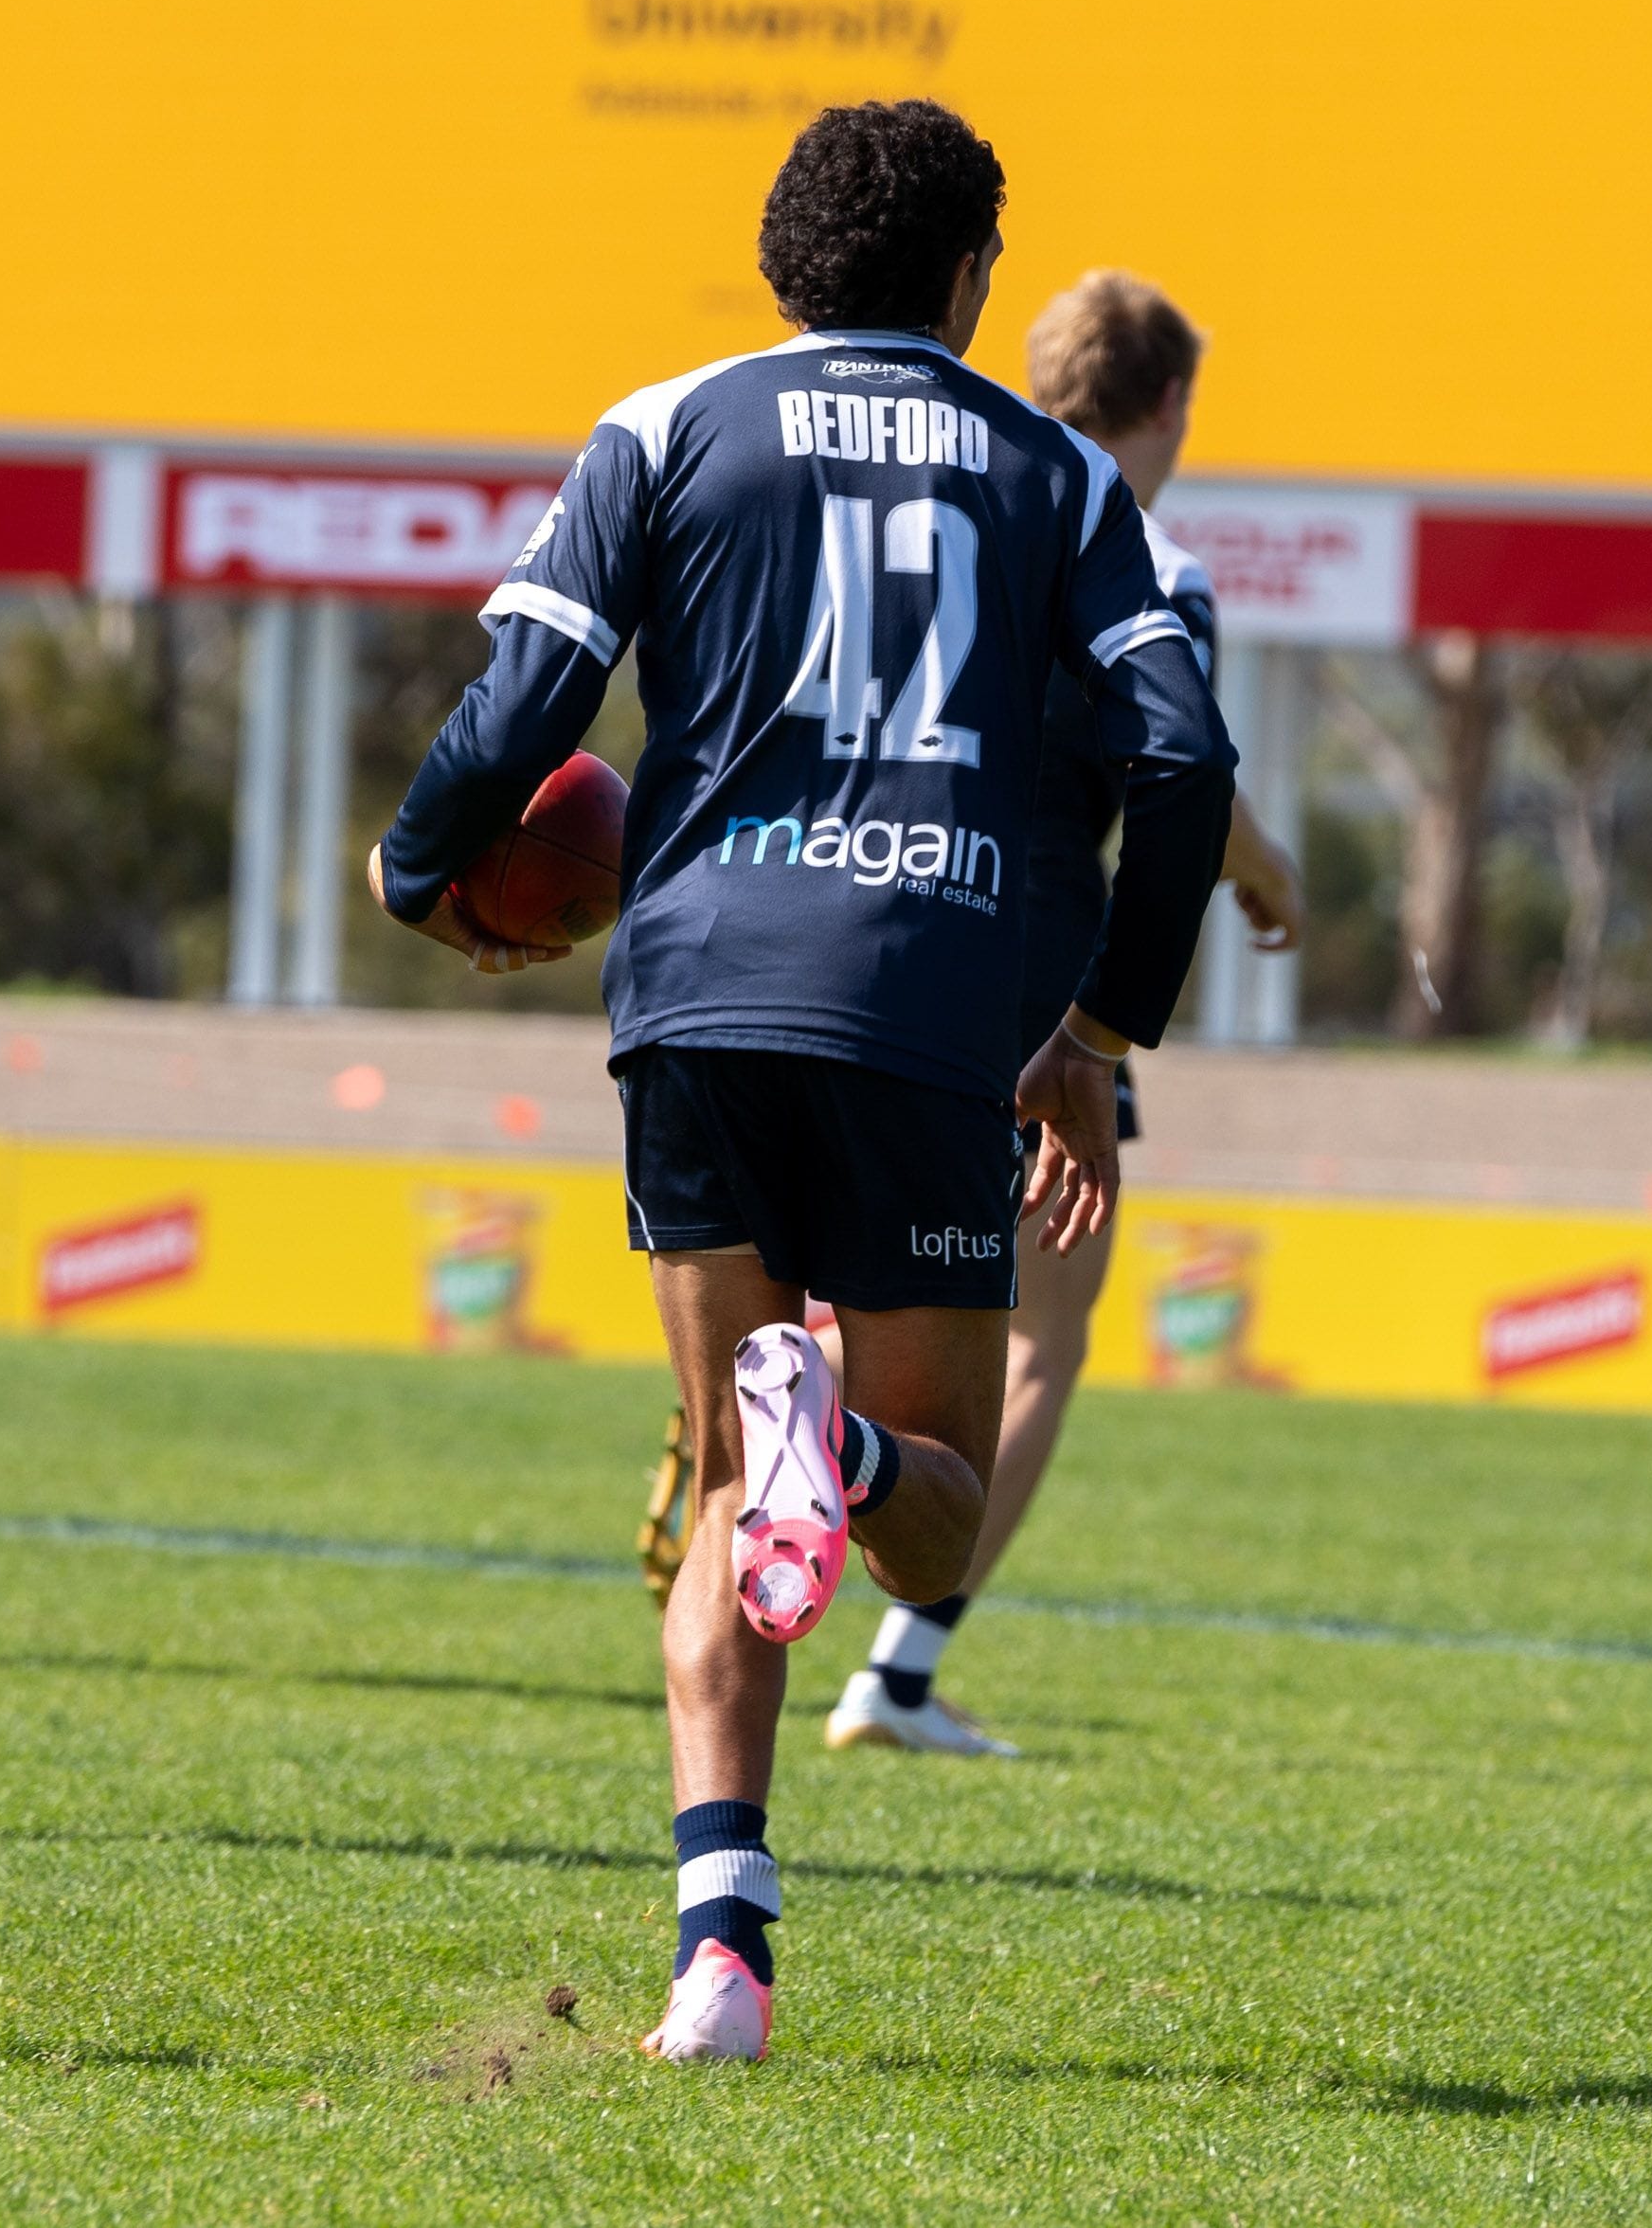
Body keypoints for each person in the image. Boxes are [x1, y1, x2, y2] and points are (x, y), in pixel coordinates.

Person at [369, 100, 1233, 2058]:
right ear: (967, 281)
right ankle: (826, 1452)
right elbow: (1181, 764)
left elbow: (521, 707)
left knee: (715, 1486)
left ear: (779, 259)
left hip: (692, 1001)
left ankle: (720, 1953)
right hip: (930, 1005)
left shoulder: (665, 421)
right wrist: (1095, 1041)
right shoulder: (1059, 476)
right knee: (913, 1502)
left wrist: (417, 871)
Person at [826, 270, 1301, 1758]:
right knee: (1043, 1341)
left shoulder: (950, 509)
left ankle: (784, 1398)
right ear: (1171, 404)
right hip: (1035, 964)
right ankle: (901, 1666)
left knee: (879, 1269)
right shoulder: (1145, 553)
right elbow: (1183, 770)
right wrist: (1274, 879)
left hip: (869, 926)